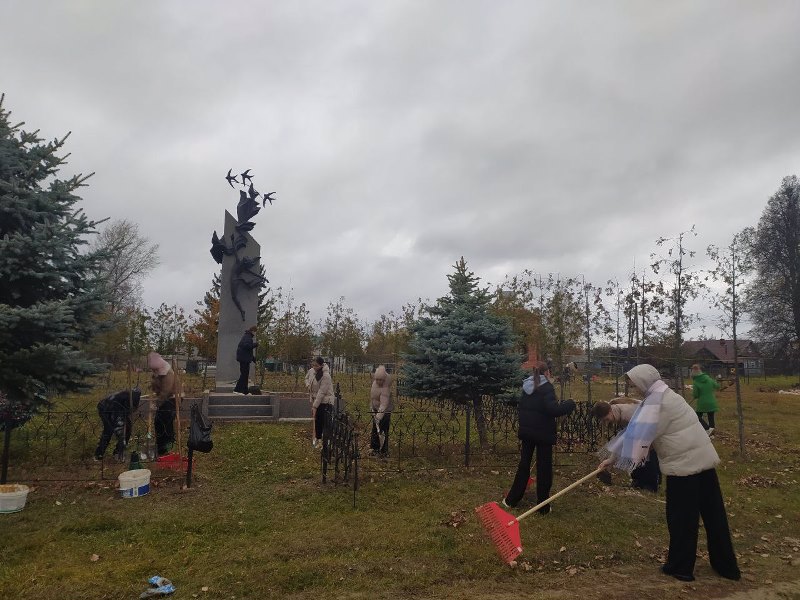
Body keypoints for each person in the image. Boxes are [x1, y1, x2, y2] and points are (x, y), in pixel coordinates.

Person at [598, 364, 740, 582]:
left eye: (634, 383)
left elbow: (637, 436)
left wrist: (611, 459)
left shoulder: (657, 403)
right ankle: (726, 566)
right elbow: (639, 430)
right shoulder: (666, 394)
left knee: (681, 519)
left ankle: (681, 567)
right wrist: (612, 458)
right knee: (714, 515)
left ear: (644, 381)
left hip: (684, 467)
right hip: (703, 460)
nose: (633, 388)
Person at [503, 361, 576, 513]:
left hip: (527, 433)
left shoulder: (527, 386)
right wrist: (569, 404)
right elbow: (552, 410)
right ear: (547, 372)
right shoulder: (547, 387)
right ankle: (542, 506)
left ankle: (511, 500)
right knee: (544, 469)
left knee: (524, 465)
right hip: (543, 434)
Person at [591, 397, 661, 492]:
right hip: (644, 424)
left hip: (654, 424)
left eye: (607, 419)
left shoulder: (628, 415)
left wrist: (611, 459)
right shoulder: (616, 409)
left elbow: (625, 441)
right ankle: (638, 481)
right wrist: (610, 460)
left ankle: (651, 485)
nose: (607, 423)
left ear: (610, 411)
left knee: (647, 451)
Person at [94, 388, 142, 461]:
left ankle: (118, 452)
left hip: (119, 410)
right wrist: (120, 431)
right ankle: (98, 454)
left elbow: (130, 410)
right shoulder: (120, 399)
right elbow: (117, 417)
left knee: (128, 429)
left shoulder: (134, 398)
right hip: (105, 409)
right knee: (109, 430)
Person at [148, 352, 178, 456]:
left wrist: (156, 404)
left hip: (172, 398)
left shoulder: (168, 373)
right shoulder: (156, 372)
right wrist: (153, 385)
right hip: (163, 398)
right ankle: (160, 445)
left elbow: (166, 391)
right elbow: (155, 387)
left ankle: (166, 445)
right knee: (158, 422)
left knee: (164, 420)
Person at [310, 357, 335, 449]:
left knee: (325, 423)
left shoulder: (325, 376)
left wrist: (315, 406)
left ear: (321, 365)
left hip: (326, 402)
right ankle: (319, 441)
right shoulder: (316, 373)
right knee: (318, 422)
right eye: (313, 365)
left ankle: (327, 443)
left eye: (316, 365)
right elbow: (313, 388)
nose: (314, 367)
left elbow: (322, 392)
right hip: (319, 401)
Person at [369, 365, 393, 457]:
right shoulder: (375, 383)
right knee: (375, 428)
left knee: (383, 429)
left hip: (385, 410)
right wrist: (371, 406)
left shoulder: (385, 388)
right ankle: (374, 448)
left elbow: (384, 404)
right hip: (376, 408)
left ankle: (383, 450)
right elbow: (373, 396)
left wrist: (378, 417)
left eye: (381, 380)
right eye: (377, 379)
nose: (379, 381)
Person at [691, 363, 720, 435]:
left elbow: (696, 395)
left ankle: (706, 428)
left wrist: (695, 395)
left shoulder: (696, 382)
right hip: (711, 402)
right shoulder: (709, 379)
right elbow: (717, 386)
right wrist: (716, 381)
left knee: (697, 417)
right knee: (711, 417)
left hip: (702, 403)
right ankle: (712, 433)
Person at [234, 326, 258, 394]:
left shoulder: (247, 336)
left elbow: (247, 351)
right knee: (244, 375)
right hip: (244, 359)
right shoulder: (248, 337)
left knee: (245, 375)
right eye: (255, 332)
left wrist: (253, 359)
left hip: (244, 358)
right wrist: (255, 344)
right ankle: (237, 390)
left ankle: (245, 391)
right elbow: (247, 346)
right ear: (253, 331)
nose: (255, 333)